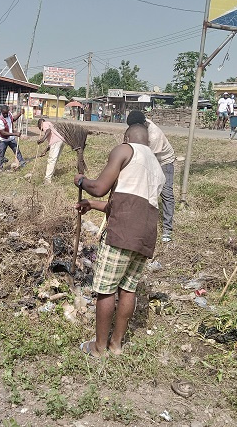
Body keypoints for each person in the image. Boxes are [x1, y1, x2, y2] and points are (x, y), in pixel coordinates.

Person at [73, 123, 164, 356]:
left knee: (106, 289)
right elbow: (126, 205)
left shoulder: (124, 150)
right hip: (144, 236)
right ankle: (116, 345)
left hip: (120, 235)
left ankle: (99, 347)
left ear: (127, 138)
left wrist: (82, 181)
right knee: (128, 289)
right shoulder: (156, 167)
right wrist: (91, 205)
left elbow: (100, 187)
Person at [126, 111, 175, 242]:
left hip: (163, 162)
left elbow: (148, 160)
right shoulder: (135, 127)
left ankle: (167, 229)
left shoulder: (154, 136)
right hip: (148, 157)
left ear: (143, 124)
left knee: (166, 193)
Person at [36, 117, 65, 184]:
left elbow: (48, 131)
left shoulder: (44, 124)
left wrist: (42, 139)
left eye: (40, 128)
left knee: (51, 160)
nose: (41, 130)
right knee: (55, 159)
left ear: (39, 125)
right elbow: (51, 141)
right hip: (61, 141)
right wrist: (45, 151)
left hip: (56, 142)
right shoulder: (50, 124)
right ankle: (51, 174)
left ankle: (47, 180)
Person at [0, 105, 25, 170]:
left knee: (16, 150)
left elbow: (13, 119)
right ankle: (0, 167)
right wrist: (15, 134)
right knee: (1, 153)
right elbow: (3, 133)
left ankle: (22, 162)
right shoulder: (0, 120)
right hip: (3, 140)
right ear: (1, 112)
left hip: (11, 138)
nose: (5, 114)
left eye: (6, 112)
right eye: (4, 113)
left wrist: (20, 113)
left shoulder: (9, 114)